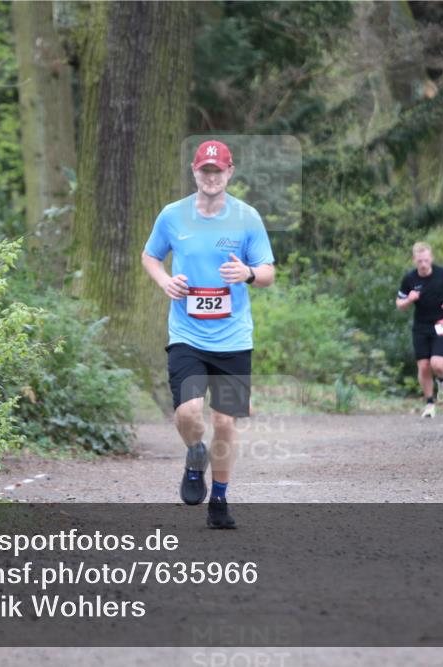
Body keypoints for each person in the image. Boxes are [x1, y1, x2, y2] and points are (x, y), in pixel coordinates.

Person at [141, 140, 275, 529]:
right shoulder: (172, 216)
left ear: (230, 172)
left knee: (227, 422)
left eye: (218, 171)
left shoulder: (247, 218)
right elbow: (150, 255)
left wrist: (248, 273)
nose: (211, 177)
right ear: (194, 172)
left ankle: (219, 501)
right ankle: (195, 453)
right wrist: (165, 280)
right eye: (205, 170)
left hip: (234, 339)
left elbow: (267, 272)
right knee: (188, 412)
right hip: (187, 332)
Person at [395, 242, 443, 418]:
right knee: (424, 366)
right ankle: (429, 404)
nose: (423, 264)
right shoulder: (409, 279)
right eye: (419, 261)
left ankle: (442, 380)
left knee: (437, 364)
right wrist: (409, 299)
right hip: (420, 327)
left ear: (431, 258)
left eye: (426, 260)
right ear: (414, 260)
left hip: (441, 323)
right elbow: (399, 304)